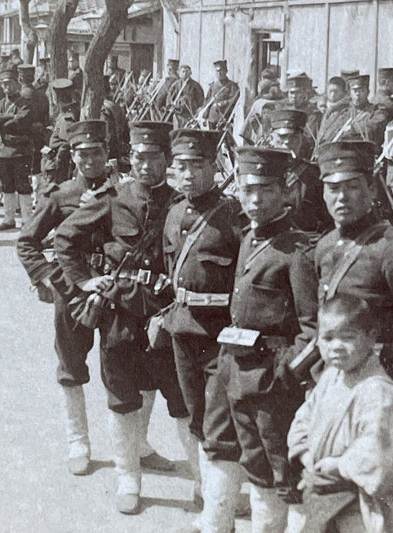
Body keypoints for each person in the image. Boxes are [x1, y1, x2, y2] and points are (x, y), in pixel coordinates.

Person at [54, 121, 191, 515]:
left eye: (154, 158)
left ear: (167, 159)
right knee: (121, 395)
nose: (146, 166)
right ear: (130, 158)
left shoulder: (183, 202)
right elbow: (65, 240)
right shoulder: (113, 197)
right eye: (139, 157)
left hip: (166, 314)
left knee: (179, 397)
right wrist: (86, 282)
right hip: (120, 315)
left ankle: (202, 480)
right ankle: (128, 478)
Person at [192, 147, 318, 533]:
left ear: (286, 192)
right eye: (247, 191)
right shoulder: (248, 237)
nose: (255, 200)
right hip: (233, 368)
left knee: (277, 467)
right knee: (239, 456)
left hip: (269, 379)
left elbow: (313, 331)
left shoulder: (297, 250)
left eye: (265, 190)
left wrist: (284, 375)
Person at [314, 140, 393, 442]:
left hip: (387, 383)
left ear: (372, 189)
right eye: (333, 188)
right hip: (338, 377)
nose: (341, 197)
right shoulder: (325, 246)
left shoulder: (392, 250)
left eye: (352, 186)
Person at [18, 120, 114, 476]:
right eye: (82, 154)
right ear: (72, 157)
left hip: (114, 293)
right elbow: (27, 243)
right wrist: (53, 279)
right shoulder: (59, 196)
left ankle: (139, 443)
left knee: (125, 367)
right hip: (73, 295)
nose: (89, 161)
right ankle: (78, 441)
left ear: (107, 154)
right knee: (71, 366)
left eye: (96, 153)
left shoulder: (122, 193)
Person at [287, 294, 393, 533]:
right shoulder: (330, 377)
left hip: (361, 501)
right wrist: (306, 454)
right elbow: (303, 419)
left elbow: (378, 452)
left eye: (348, 337)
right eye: (327, 338)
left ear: (371, 338)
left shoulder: (379, 391)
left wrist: (338, 465)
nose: (336, 347)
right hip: (324, 491)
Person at [162, 128, 245, 506]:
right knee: (194, 411)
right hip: (183, 328)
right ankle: (204, 487)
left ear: (214, 167)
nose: (189, 174)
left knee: (219, 418)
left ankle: (220, 501)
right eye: (181, 166)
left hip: (219, 334)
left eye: (197, 165)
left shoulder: (232, 216)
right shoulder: (175, 212)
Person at [0, 67, 34, 230]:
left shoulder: (26, 103)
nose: (6, 87)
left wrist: (5, 120)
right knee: (6, 185)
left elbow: (22, 121)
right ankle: (9, 219)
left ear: (17, 84)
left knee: (22, 185)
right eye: (4, 84)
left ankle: (27, 220)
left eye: (10, 83)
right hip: (3, 149)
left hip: (20, 150)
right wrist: (10, 117)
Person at [269, 109, 330, 232]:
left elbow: (327, 221)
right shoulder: (262, 172)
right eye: (282, 136)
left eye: (294, 138)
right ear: (271, 139)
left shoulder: (313, 175)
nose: (287, 142)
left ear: (301, 140)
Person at [41, 78, 79, 187]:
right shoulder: (66, 113)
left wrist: (58, 166)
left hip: (60, 167)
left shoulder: (67, 116)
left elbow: (65, 145)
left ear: (56, 97)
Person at [17, 64, 50, 176]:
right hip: (39, 136)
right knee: (37, 166)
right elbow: (46, 119)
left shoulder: (20, 96)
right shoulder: (42, 95)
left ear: (20, 79)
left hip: (24, 137)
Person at [285, 74, 323, 144]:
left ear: (304, 94)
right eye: (291, 93)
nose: (294, 96)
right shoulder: (285, 110)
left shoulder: (313, 113)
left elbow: (309, 138)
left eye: (298, 92)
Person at [202, 60, 239, 129]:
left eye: (221, 71)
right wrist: (205, 116)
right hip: (212, 118)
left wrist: (222, 103)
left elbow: (234, 100)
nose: (219, 73)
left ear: (226, 71)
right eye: (217, 71)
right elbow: (207, 101)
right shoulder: (213, 86)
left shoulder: (232, 86)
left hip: (225, 117)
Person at [317, 76, 349, 145]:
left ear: (344, 93)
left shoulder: (346, 111)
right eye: (330, 91)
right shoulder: (325, 109)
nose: (333, 95)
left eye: (336, 91)